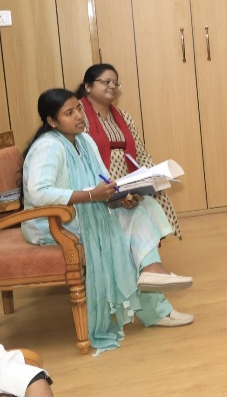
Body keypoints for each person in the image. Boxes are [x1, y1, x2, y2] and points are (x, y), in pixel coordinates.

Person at [20, 89, 194, 355]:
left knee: (143, 206)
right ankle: (155, 305)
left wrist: (119, 197)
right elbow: (39, 193)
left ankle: (153, 275)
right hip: (52, 223)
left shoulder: (85, 141)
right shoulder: (48, 146)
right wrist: (93, 196)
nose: (79, 116)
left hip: (84, 211)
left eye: (79, 108)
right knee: (129, 229)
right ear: (52, 121)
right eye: (69, 113)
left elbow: (103, 181)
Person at [76, 64, 181, 239]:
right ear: (88, 86)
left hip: (128, 179)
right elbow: (80, 158)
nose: (112, 86)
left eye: (115, 83)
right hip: (100, 181)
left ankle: (146, 246)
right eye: (106, 82)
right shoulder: (79, 117)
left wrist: (151, 174)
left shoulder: (124, 117)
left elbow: (140, 153)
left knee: (157, 194)